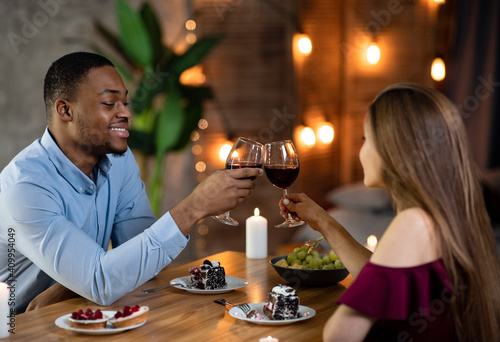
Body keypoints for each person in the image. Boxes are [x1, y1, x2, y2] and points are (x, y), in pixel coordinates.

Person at [0, 52, 262, 314]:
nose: (126, 113)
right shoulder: (24, 189)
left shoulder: (118, 161)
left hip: (78, 315)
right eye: (109, 103)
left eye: (124, 102)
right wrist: (194, 208)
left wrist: (69, 284)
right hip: (17, 328)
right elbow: (102, 282)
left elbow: (142, 262)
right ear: (65, 110)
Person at [281, 83, 500, 341]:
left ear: (392, 149)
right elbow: (379, 279)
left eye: (365, 139)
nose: (361, 151)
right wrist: (323, 222)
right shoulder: (449, 214)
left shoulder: (413, 223)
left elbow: (339, 335)